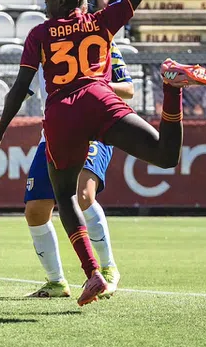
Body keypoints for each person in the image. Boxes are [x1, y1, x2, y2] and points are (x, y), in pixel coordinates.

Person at [0, 0, 206, 307]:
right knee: (165, 155)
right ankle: (172, 87)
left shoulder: (40, 33)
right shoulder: (101, 21)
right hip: (99, 97)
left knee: (67, 196)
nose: (43, 2)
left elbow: (20, 87)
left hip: (63, 111)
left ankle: (92, 273)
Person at [23, 41, 133, 299]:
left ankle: (107, 268)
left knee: (82, 194)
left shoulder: (103, 43)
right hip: (54, 131)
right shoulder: (41, 43)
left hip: (96, 126)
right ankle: (56, 282)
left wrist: (91, 88)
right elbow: (23, 87)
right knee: (36, 210)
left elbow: (128, 89)